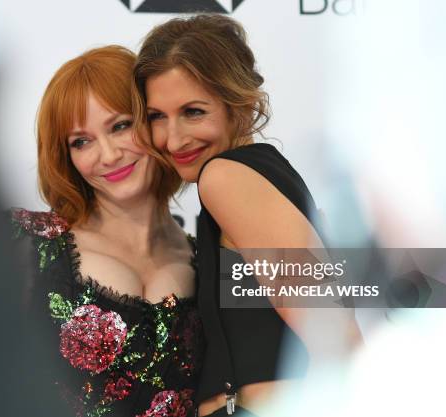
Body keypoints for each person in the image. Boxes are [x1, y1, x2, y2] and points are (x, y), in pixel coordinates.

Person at [132, 15, 361, 417]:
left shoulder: (225, 178)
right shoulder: (261, 175)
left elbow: (337, 337)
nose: (174, 138)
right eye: (157, 117)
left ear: (238, 102)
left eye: (194, 111)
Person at [10, 46, 203, 417]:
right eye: (81, 141)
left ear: (155, 120)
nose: (109, 155)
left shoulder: (210, 257)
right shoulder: (30, 243)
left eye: (120, 126)